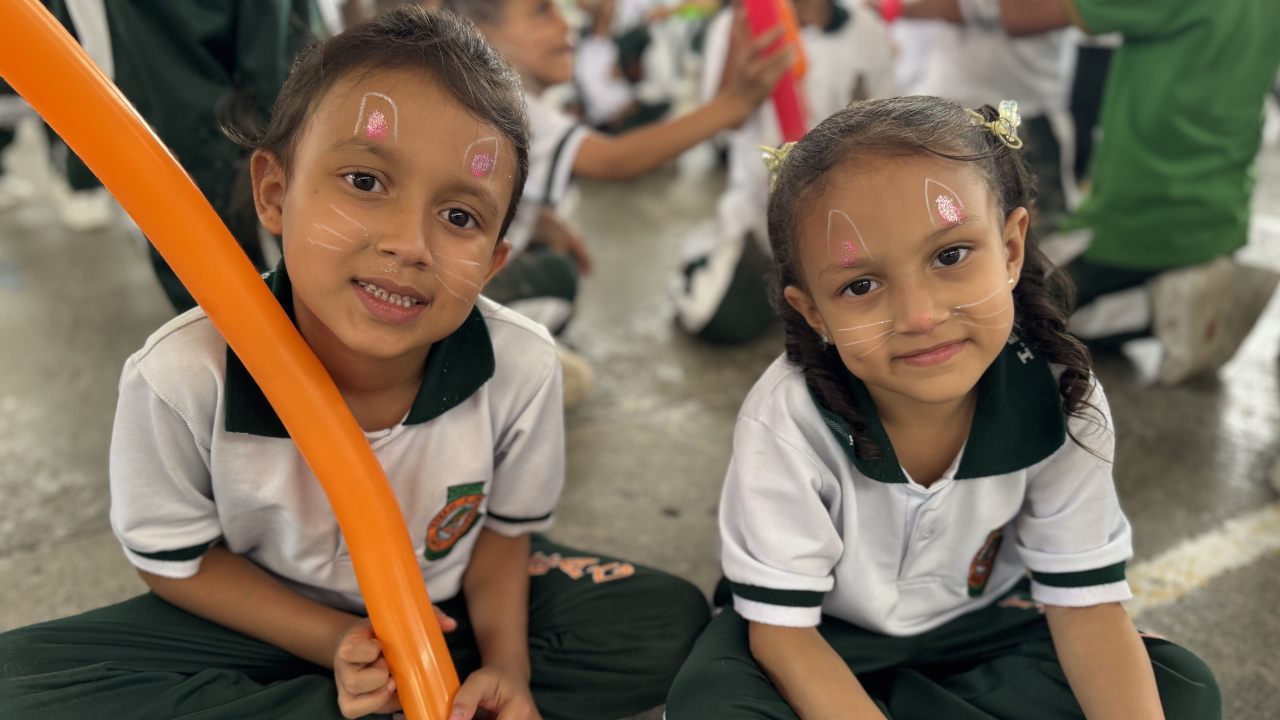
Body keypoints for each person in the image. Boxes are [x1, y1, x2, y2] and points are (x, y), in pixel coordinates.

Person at [0, 9, 711, 720]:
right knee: (19, 686)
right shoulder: (182, 375)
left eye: (460, 217)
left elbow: (502, 534)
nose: (409, 243)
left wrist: (506, 667)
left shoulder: (519, 365)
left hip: (448, 605)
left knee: (666, 623)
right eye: (365, 181)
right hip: (260, 618)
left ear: (496, 263)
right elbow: (176, 561)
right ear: (274, 194)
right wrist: (339, 643)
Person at [665, 97, 1220, 719]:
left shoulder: (1061, 393)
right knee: (714, 701)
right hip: (823, 633)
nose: (920, 317)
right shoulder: (788, 420)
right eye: (860, 286)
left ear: (1012, 249)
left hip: (983, 628)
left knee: (1179, 687)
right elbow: (782, 632)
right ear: (814, 312)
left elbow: (1082, 603)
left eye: (951, 256)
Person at [441, 0, 793, 339]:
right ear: (480, 35)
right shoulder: (510, 106)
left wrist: (541, 223)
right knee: (556, 277)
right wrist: (735, 103)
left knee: (546, 251)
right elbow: (615, 159)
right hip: (446, 288)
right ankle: (469, 349)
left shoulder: (478, 96)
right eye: (541, 11)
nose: (566, 23)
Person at [1001, 0, 1280, 383]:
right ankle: (1185, 283)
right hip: (1219, 214)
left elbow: (1020, 14)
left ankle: (1165, 304)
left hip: (1139, 219)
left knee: (1011, 312)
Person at [672, 0, 897, 344]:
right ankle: (705, 254)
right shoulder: (739, 23)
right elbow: (721, 126)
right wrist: (740, 70)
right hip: (761, 211)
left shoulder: (863, 27)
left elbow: (887, 124)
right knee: (718, 318)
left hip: (844, 210)